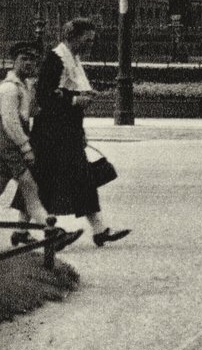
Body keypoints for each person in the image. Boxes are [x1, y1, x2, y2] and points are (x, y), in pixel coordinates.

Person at [26, 19, 130, 247]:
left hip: (66, 130)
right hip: (51, 133)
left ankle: (99, 229)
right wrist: (75, 99)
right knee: (43, 180)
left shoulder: (72, 58)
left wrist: (79, 125)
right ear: (73, 36)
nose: (91, 43)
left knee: (77, 177)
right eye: (87, 38)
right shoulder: (56, 59)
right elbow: (44, 95)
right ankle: (28, 230)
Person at [1, 42, 81, 249]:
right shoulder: (9, 89)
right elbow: (10, 123)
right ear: (13, 61)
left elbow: (33, 113)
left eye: (33, 60)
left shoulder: (25, 86)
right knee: (30, 187)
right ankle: (52, 232)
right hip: (8, 146)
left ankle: (23, 232)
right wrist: (26, 147)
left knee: (26, 188)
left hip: (11, 146)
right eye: (23, 59)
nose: (29, 63)